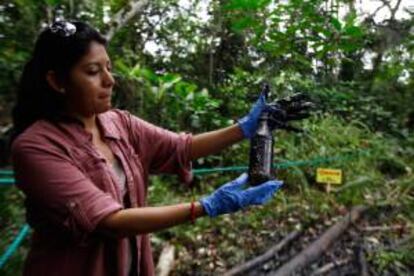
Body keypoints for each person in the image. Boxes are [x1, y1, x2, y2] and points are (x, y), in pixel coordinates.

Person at [10, 21, 283, 276]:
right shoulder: (36, 147)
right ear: (57, 82)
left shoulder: (118, 123)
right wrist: (205, 207)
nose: (110, 80)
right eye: (93, 72)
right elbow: (110, 222)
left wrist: (245, 128)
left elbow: (181, 147)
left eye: (108, 67)